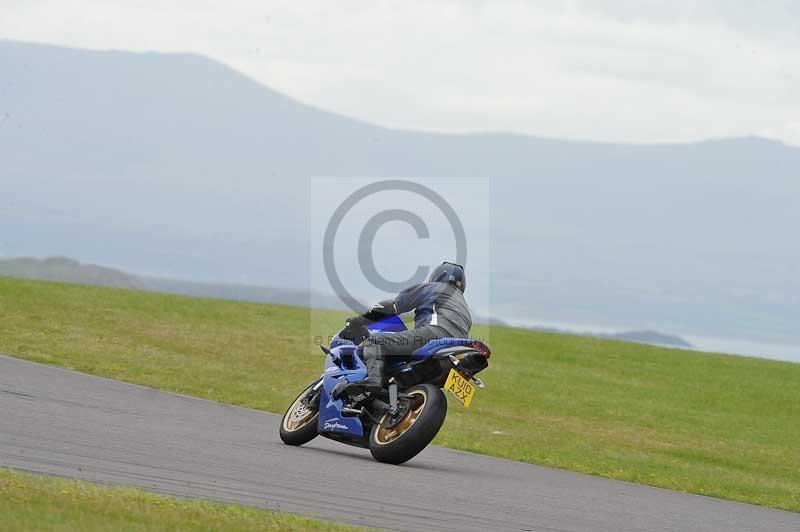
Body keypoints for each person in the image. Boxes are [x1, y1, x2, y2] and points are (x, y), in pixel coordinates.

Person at [341, 262, 472, 391]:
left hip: (434, 335)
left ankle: (373, 380)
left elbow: (391, 306)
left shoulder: (433, 288)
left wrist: (360, 320)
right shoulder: (465, 308)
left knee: (375, 342)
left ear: (436, 277)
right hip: (457, 350)